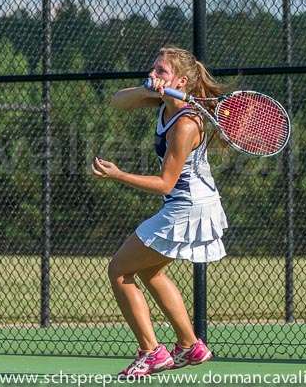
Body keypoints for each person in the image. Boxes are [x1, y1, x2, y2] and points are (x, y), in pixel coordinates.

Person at [91, 46, 228, 378]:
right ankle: (190, 345)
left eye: (161, 71)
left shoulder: (186, 125)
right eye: (153, 68)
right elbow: (117, 100)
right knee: (151, 272)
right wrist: (148, 88)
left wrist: (118, 174)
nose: (153, 74)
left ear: (181, 80)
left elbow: (167, 183)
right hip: (191, 205)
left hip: (187, 208)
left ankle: (151, 352)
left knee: (120, 271)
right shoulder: (166, 102)